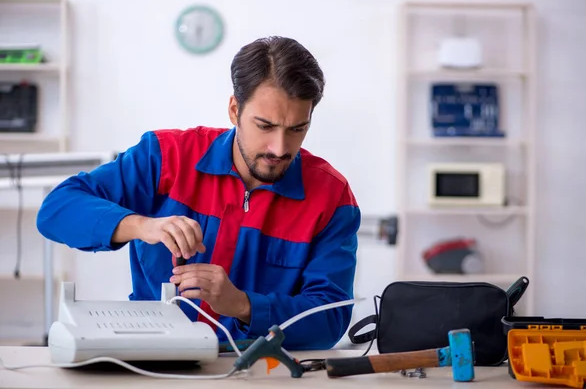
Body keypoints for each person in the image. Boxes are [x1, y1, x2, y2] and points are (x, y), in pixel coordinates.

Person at [36, 36, 361, 350]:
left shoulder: (332, 197)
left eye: (296, 129)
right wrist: (142, 225)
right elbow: (57, 209)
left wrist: (244, 305)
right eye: (265, 126)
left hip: (264, 371)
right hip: (153, 361)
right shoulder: (165, 157)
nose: (279, 147)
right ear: (234, 110)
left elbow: (330, 318)